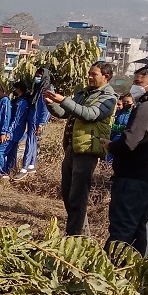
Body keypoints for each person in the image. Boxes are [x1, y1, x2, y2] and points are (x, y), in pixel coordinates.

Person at [105, 65, 148, 254]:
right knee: (142, 228)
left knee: (122, 228)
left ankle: (109, 272)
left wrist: (110, 146)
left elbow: (129, 143)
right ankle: (138, 272)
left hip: (133, 177)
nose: (134, 86)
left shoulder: (146, 108)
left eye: (138, 82)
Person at [45, 61, 117, 236]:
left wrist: (64, 100)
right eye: (89, 73)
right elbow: (65, 113)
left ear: (105, 77)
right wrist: (51, 103)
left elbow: (90, 114)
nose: (89, 77)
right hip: (72, 147)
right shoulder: (84, 93)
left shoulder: (109, 98)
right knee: (68, 193)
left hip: (87, 151)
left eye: (94, 74)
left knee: (78, 196)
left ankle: (75, 236)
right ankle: (81, 233)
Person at [12, 68, 52, 181]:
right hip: (32, 118)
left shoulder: (46, 90)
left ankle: (24, 167)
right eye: (36, 75)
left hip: (37, 119)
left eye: (39, 76)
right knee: (33, 142)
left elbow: (46, 108)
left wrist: (42, 123)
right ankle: (31, 165)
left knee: (30, 142)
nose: (37, 78)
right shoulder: (37, 88)